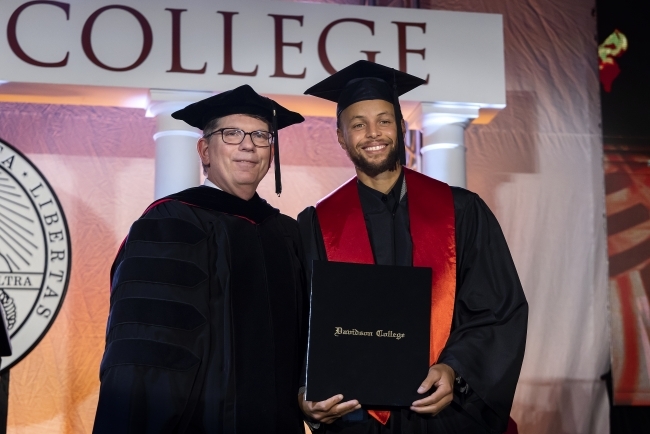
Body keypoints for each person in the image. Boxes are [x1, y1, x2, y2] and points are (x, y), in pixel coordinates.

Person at [297, 61, 528, 434]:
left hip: (442, 414)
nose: (373, 133)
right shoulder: (315, 224)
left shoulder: (462, 211)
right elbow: (301, 323)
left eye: (384, 120)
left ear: (401, 127)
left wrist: (455, 369)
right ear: (341, 138)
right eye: (358, 124)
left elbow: (497, 310)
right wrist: (306, 393)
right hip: (356, 420)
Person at [93, 85, 308, 433]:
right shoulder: (168, 223)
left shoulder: (286, 234)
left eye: (260, 135)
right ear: (205, 150)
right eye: (232, 133)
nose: (248, 145)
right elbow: (143, 354)